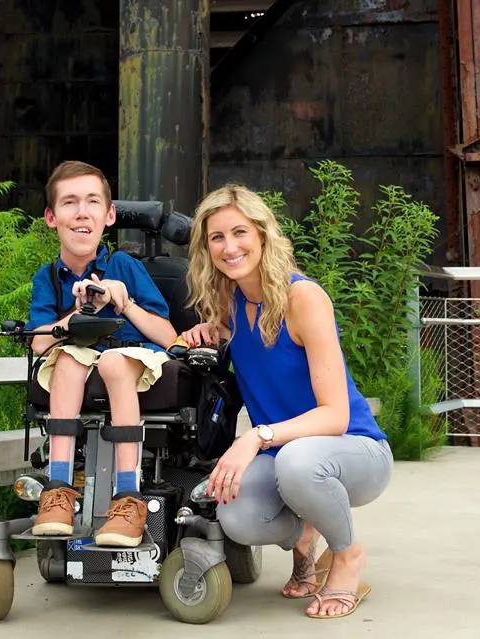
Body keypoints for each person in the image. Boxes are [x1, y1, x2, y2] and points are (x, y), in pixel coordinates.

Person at [180, 184, 393, 619]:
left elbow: (335, 416)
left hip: (355, 451)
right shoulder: (230, 302)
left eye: (239, 232)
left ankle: (347, 554)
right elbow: (209, 337)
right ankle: (303, 536)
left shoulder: (304, 298)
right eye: (216, 237)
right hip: (286, 456)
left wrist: (256, 437)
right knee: (235, 512)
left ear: (262, 234)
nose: (229, 246)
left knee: (296, 462)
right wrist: (198, 330)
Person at [26, 160, 178, 547]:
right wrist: (82, 311)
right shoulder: (48, 278)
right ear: (51, 217)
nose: (81, 212)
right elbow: (41, 342)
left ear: (108, 215)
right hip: (78, 359)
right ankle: (58, 490)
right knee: (70, 357)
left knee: (110, 360)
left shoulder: (124, 265)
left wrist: (122, 301)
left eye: (93, 202)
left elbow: (168, 335)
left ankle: (129, 496)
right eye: (70, 203)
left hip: (132, 356)